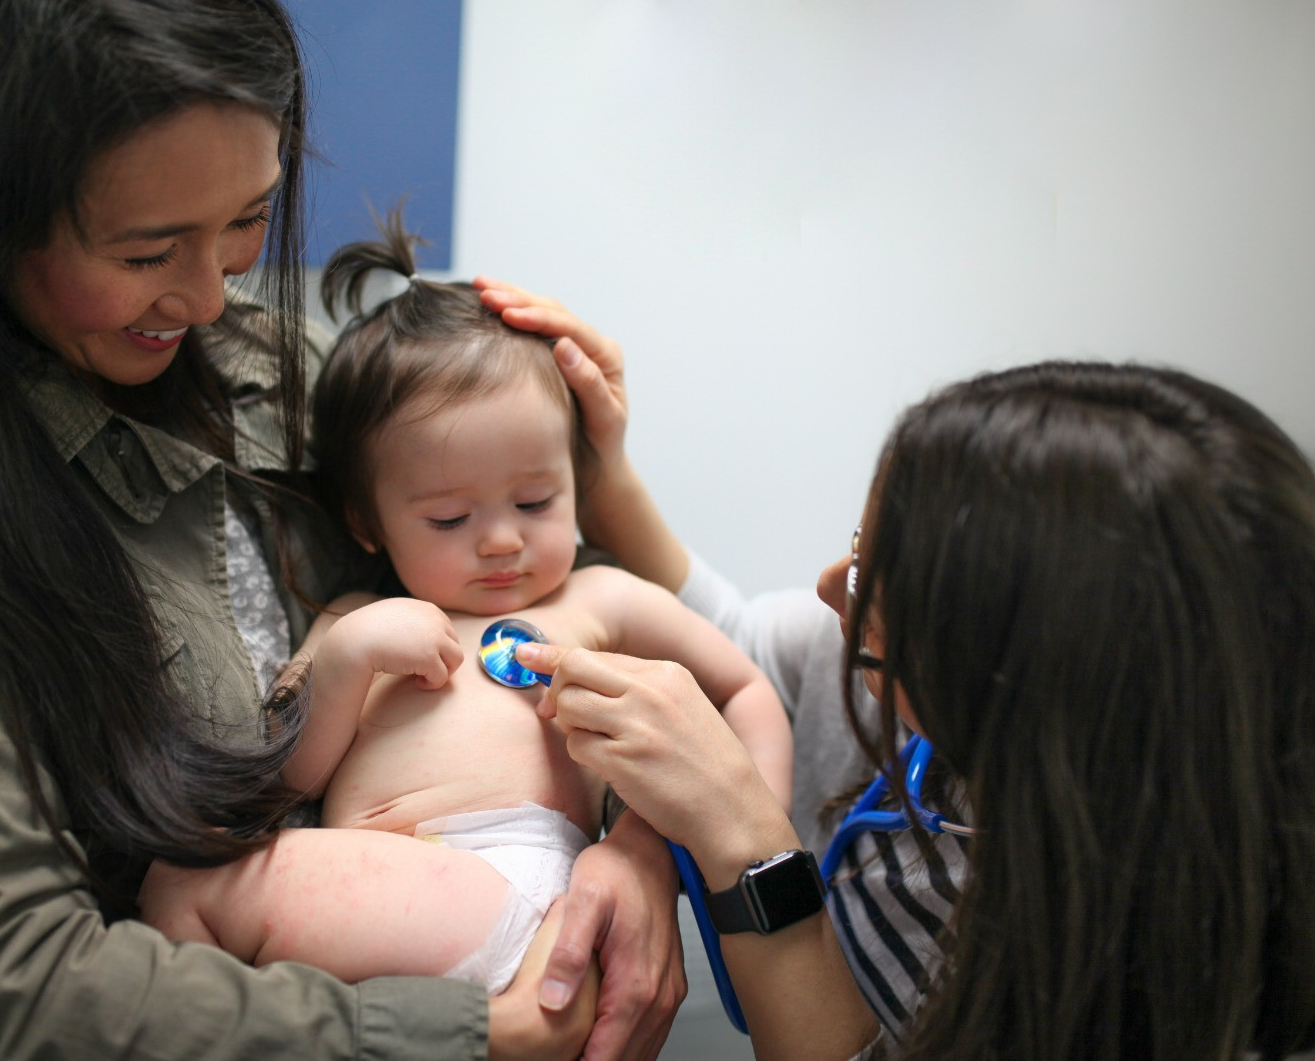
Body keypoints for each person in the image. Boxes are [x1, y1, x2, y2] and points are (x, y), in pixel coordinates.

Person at [0, 0, 686, 1058]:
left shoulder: (279, 366)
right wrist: (467, 1034)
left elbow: (583, 639)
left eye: (245, 219)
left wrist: (632, 848)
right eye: (143, 253)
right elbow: (5, 980)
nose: (204, 296)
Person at [494, 323, 1315, 1059]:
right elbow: (731, 642)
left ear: (1013, 685)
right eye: (857, 546)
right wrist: (599, 468)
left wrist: (741, 839)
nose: (829, 589)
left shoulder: (1154, 979)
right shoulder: (879, 659)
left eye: (874, 586)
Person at [138, 215, 793, 1001]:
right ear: (366, 525)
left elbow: (749, 690)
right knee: (185, 880)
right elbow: (279, 783)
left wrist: (740, 847)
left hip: (514, 878)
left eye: (536, 499)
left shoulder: (597, 595)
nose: (502, 541)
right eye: (450, 518)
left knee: (182, 890)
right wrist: (345, 661)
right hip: (394, 896)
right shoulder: (353, 619)